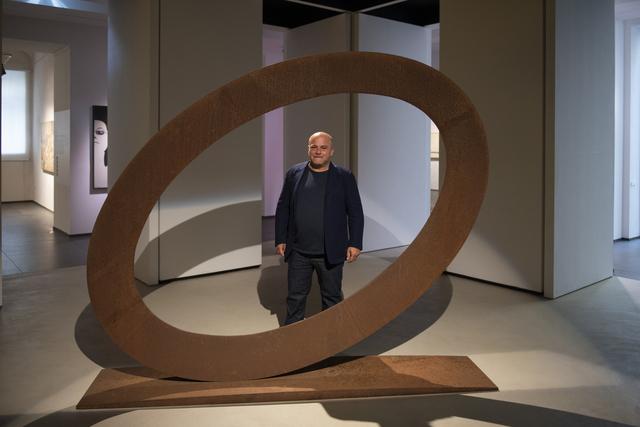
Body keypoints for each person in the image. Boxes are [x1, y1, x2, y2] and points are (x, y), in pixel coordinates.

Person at [275, 131, 364, 325]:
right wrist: (280, 238)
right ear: (308, 149)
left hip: (330, 251)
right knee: (295, 297)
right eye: (314, 147)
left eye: (323, 147)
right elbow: (283, 207)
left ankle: (330, 337)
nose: (318, 151)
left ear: (331, 151)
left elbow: (355, 212)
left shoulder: (344, 176)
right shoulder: (294, 173)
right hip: (298, 251)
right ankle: (291, 336)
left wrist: (355, 242)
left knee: (332, 298)